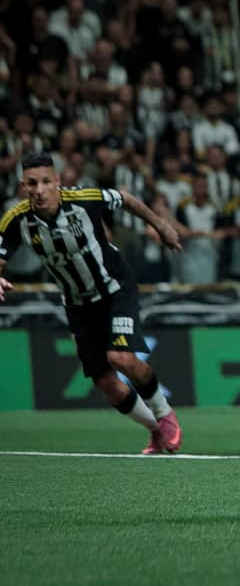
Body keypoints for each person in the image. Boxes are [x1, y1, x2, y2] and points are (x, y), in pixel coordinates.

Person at [0, 152, 183, 454]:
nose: (40, 190)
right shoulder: (16, 219)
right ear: (23, 185)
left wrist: (162, 226)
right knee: (105, 382)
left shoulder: (85, 199)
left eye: (46, 181)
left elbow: (125, 198)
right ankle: (154, 429)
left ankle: (165, 414)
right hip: (77, 303)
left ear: (57, 182)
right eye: (32, 183)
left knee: (121, 358)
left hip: (115, 288)